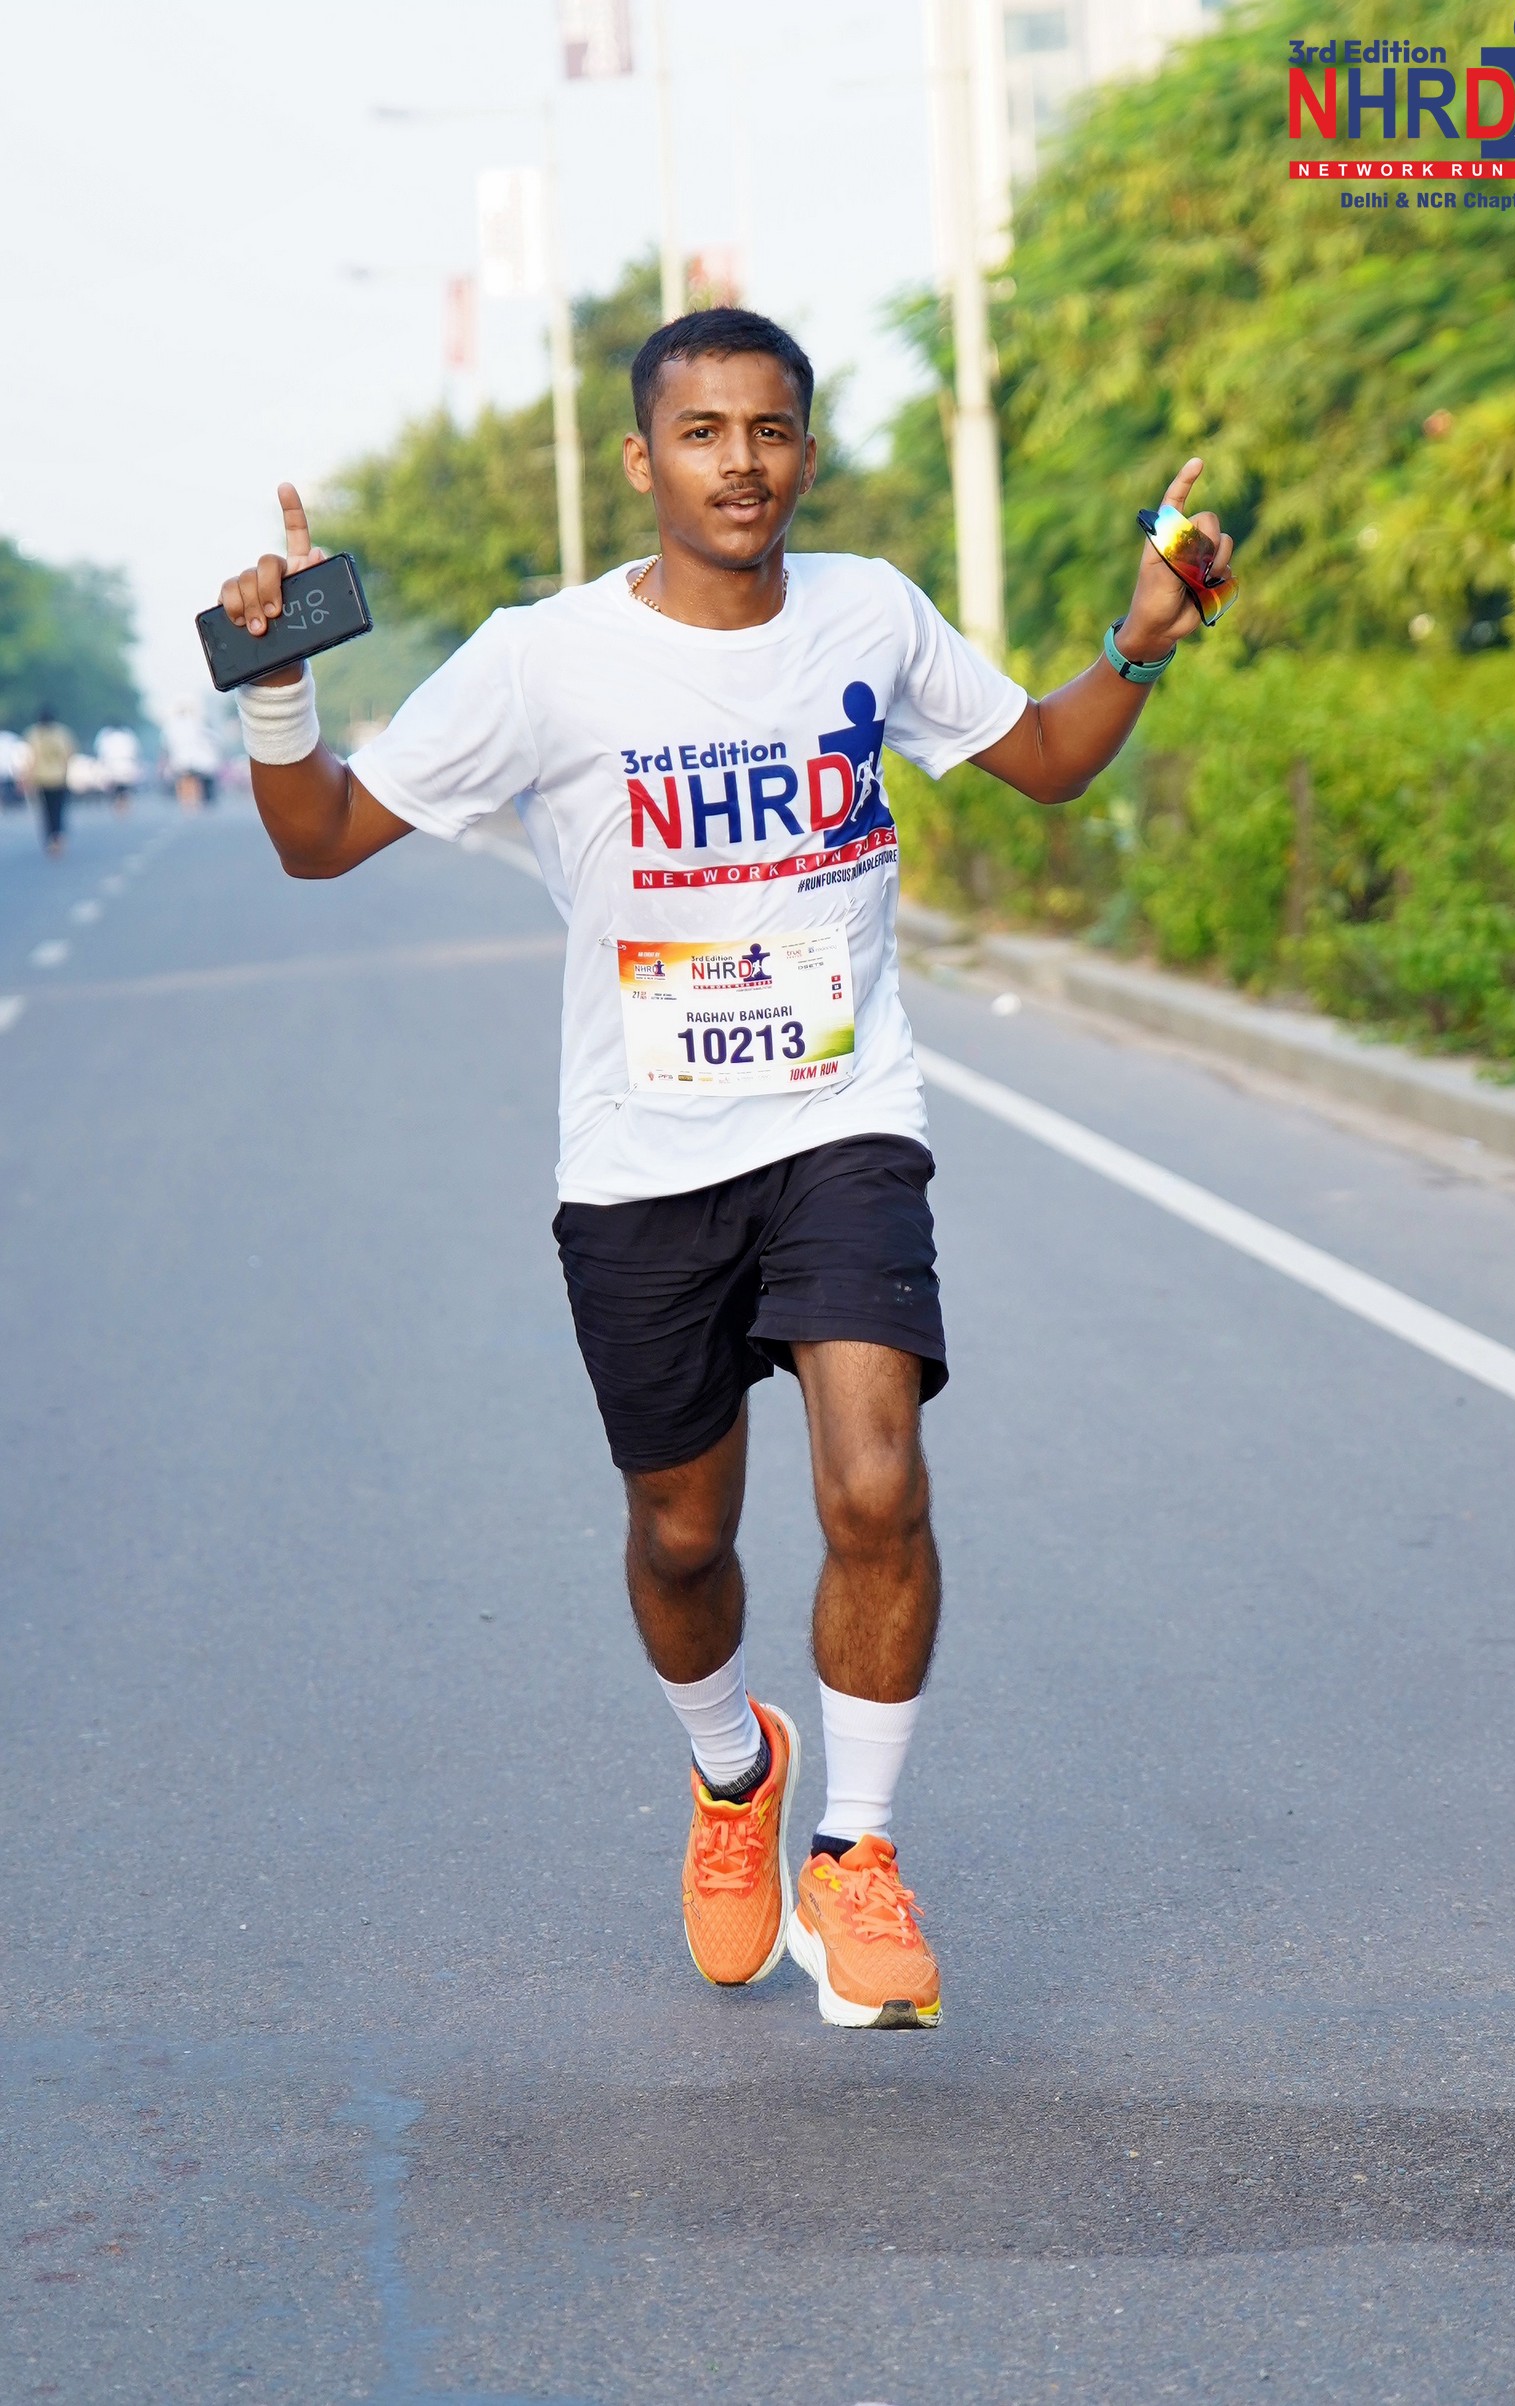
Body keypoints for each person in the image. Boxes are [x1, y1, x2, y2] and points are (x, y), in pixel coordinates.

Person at [217, 308, 1230, 2030]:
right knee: (684, 1538)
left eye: (770, 430)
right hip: (642, 1163)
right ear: (643, 460)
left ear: (806, 454)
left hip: (843, 1122)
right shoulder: (544, 662)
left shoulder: (871, 611)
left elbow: (1047, 762)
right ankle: (733, 1767)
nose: (741, 462)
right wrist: (280, 682)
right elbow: (318, 839)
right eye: (703, 432)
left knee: (875, 1486)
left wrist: (1138, 647)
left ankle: (856, 1849)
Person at [23, 705, 75, 854]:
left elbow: (30, 759)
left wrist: (27, 778)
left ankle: (51, 839)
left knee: (46, 812)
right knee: (58, 809)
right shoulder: (62, 733)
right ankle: (58, 838)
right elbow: (69, 754)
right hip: (59, 778)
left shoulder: (33, 734)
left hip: (41, 779)